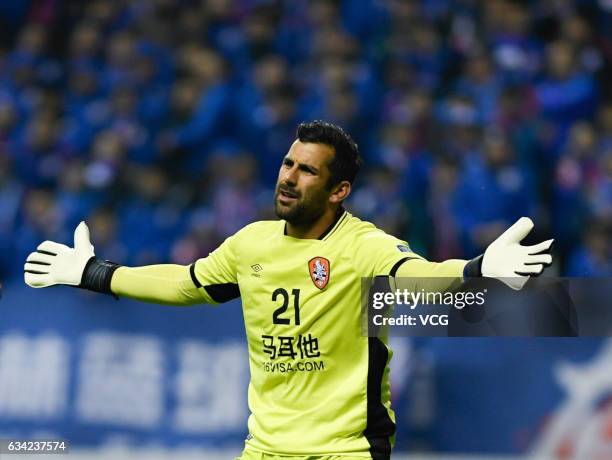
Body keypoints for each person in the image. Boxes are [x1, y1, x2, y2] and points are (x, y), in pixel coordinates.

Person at [24, 121, 553, 460]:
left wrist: (478, 268)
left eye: (306, 172)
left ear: (338, 190)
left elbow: (418, 276)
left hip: (346, 451)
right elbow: (187, 283)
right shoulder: (252, 243)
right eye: (287, 164)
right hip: (266, 450)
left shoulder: (362, 246)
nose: (289, 177)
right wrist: (96, 273)